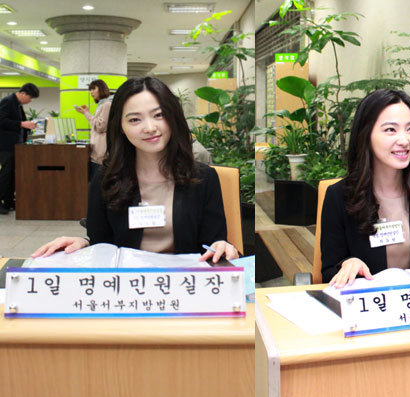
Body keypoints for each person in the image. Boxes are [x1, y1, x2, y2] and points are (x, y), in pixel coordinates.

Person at [32, 76, 238, 263]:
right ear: (120, 127)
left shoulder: (203, 177)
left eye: (159, 115)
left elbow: (213, 243)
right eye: (134, 120)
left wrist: (222, 246)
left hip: (184, 284)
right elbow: (101, 245)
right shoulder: (105, 179)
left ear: (173, 117)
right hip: (127, 286)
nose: (149, 128)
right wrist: (83, 243)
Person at [321, 89, 410, 288]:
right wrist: (348, 264)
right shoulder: (339, 196)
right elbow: (328, 272)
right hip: (369, 302)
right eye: (390, 130)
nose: (404, 140)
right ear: (365, 135)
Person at [0, 83, 39, 214]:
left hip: (17, 145)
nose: (30, 101)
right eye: (30, 97)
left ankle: (9, 201)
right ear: (23, 93)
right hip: (6, 145)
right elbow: (2, 121)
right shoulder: (7, 101)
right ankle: (1, 202)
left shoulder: (17, 104)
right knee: (6, 174)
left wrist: (28, 125)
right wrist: (22, 124)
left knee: (13, 174)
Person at [74, 79, 113, 180]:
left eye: (93, 89)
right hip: (97, 153)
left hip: (101, 154)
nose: (91, 92)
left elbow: (100, 127)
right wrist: (87, 113)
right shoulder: (101, 104)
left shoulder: (107, 105)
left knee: (97, 185)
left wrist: (86, 114)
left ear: (101, 88)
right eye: (90, 90)